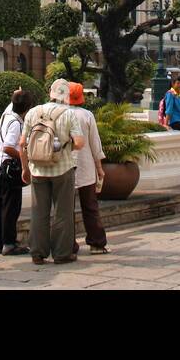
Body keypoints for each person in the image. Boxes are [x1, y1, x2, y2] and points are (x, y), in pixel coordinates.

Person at [19, 79, 85, 265]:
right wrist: (64, 145)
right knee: (62, 212)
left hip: (38, 168)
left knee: (39, 212)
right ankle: (62, 254)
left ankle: (37, 253)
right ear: (66, 96)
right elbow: (79, 143)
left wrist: (25, 168)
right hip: (62, 168)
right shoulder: (69, 114)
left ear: (50, 92)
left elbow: (22, 143)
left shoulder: (33, 112)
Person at [69, 83, 108, 254]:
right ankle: (96, 243)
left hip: (65, 167)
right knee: (90, 207)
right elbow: (95, 143)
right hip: (86, 166)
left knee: (65, 209)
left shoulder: (59, 114)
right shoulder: (87, 115)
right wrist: (99, 167)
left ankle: (67, 245)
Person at [0, 89, 30, 256]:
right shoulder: (15, 122)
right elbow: (8, 147)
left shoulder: (6, 114)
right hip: (8, 168)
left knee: (1, 205)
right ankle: (8, 243)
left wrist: (17, 92)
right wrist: (24, 156)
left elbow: (14, 101)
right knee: (11, 207)